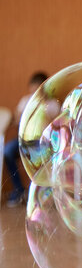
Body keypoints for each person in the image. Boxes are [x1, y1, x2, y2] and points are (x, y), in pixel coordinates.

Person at [4, 71, 48, 207]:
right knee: (7, 152)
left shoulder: (51, 103)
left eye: (38, 87)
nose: (34, 90)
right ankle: (18, 190)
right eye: (33, 87)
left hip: (42, 141)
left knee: (46, 157)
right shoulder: (25, 101)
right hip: (22, 140)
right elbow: (17, 120)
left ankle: (45, 192)